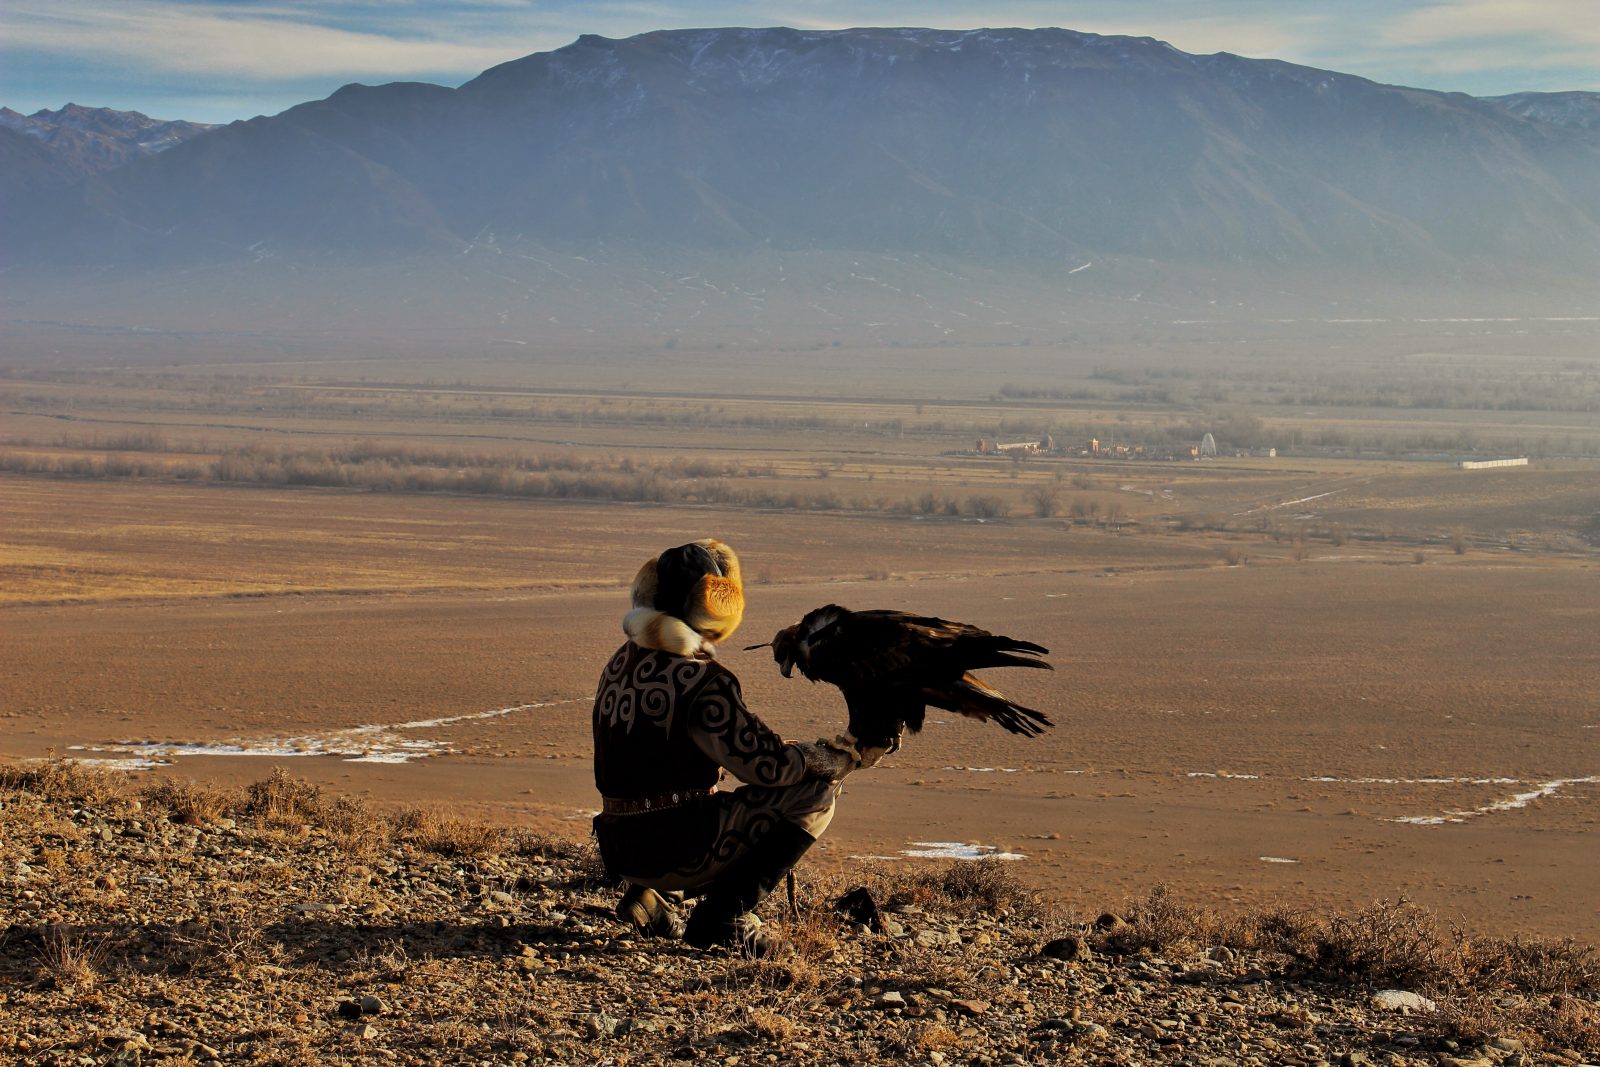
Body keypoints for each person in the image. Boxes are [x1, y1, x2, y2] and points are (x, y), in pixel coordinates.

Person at [591, 538, 858, 956]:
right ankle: (727, 916)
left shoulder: (619, 661)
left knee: (681, 793)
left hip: (619, 847)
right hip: (675, 849)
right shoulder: (703, 681)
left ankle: (651, 898)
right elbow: (768, 766)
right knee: (815, 794)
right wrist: (824, 756)